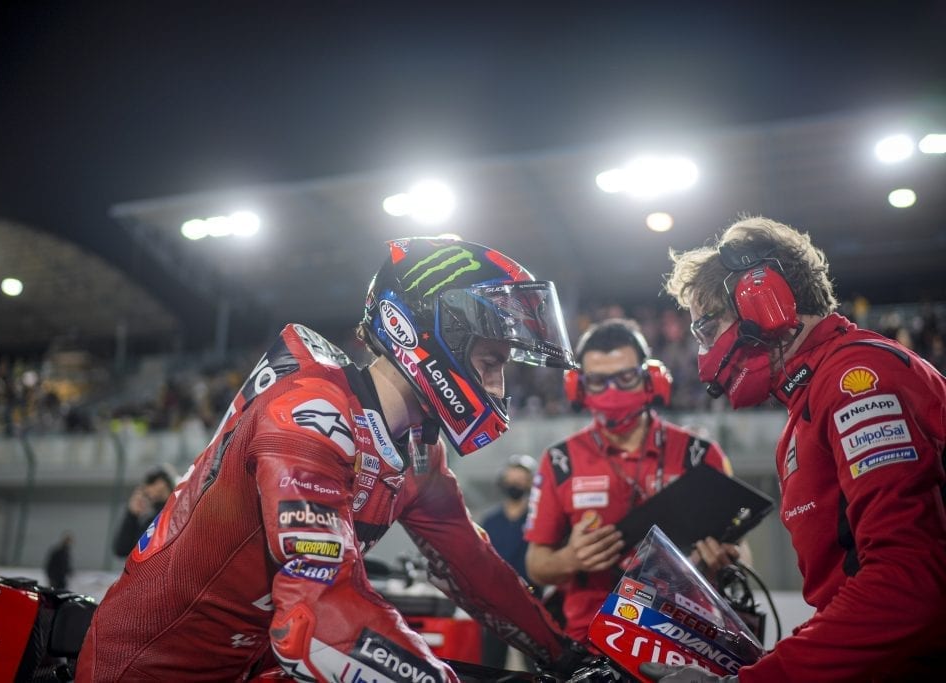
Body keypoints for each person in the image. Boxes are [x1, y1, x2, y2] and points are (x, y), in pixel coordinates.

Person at [77, 237, 599, 682]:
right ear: (420, 332)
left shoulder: (419, 451)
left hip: (250, 666)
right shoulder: (307, 411)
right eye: (489, 363)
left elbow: (476, 570)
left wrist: (571, 657)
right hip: (147, 668)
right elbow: (315, 616)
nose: (497, 387)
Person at [641, 216, 946, 682]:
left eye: (706, 331)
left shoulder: (856, 381)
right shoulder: (807, 404)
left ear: (762, 303)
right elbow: (851, 590)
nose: (703, 359)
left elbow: (909, 585)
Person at [524, 318, 746, 643]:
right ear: (579, 387)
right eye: (598, 381)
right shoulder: (560, 461)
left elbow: (741, 549)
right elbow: (535, 563)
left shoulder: (700, 455)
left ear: (651, 378)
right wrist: (570, 558)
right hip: (594, 644)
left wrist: (723, 561)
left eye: (626, 377)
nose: (613, 391)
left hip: (687, 638)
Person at [480, 453, 538, 669]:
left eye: (521, 480)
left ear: (530, 483)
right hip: (497, 601)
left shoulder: (537, 519)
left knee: (536, 662)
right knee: (492, 663)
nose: (515, 484)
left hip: (532, 600)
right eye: (511, 480)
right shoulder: (491, 520)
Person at [110, 465, 174, 558]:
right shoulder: (148, 519)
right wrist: (132, 515)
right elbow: (122, 549)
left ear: (162, 484)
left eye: (151, 482)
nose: (146, 488)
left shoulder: (177, 514)